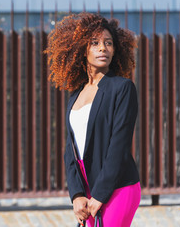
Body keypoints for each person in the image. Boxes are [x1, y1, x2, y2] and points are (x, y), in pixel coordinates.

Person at [46, 12, 141, 226]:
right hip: (87, 188)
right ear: (82, 49)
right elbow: (70, 150)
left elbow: (119, 145)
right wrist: (77, 194)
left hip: (117, 187)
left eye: (108, 43)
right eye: (95, 43)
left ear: (115, 49)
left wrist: (99, 194)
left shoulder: (122, 88)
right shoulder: (76, 95)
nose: (102, 48)